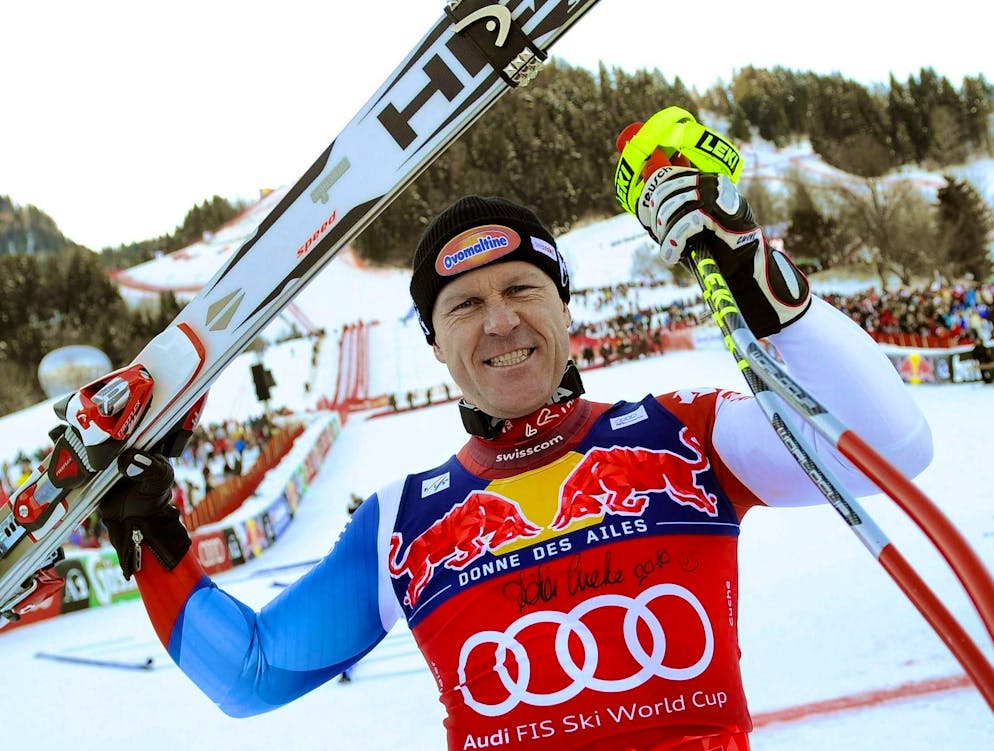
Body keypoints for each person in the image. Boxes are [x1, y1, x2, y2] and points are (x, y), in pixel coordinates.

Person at [100, 168, 932, 750]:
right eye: (465, 304)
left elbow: (891, 448)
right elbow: (254, 673)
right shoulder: (404, 521)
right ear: (435, 345)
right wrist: (153, 536)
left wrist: (761, 278)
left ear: (564, 308)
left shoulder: (685, 435)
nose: (499, 321)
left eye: (521, 289)